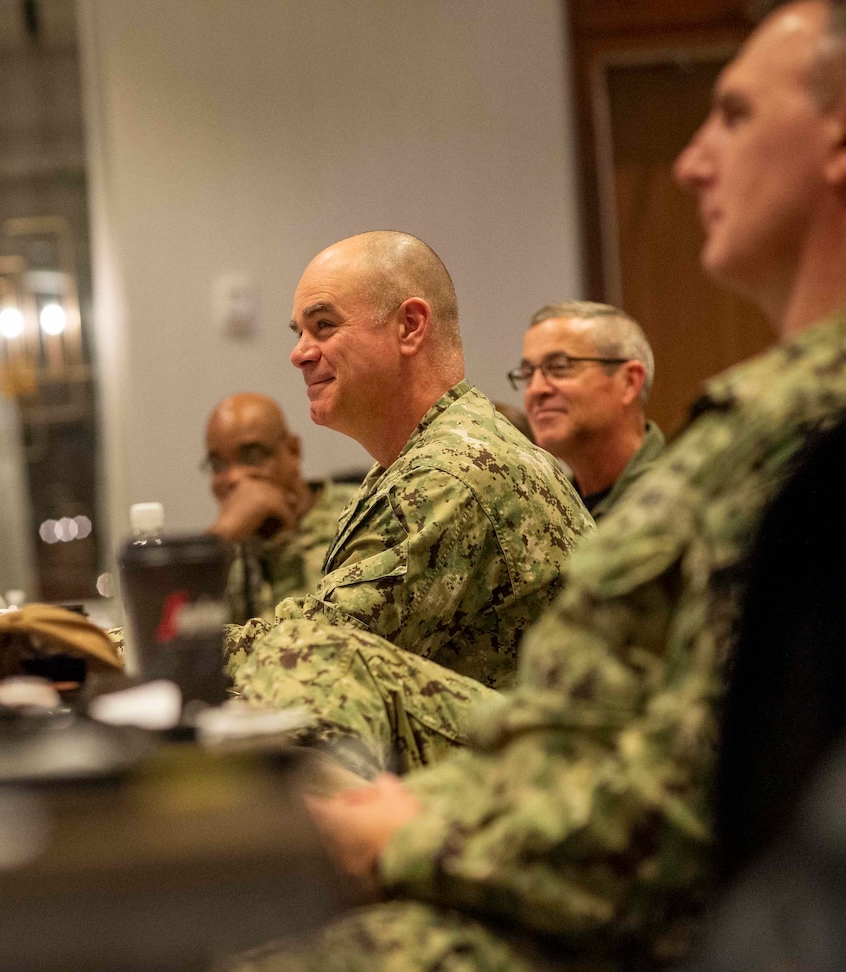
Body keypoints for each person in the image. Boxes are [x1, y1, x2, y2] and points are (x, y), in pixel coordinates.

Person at [221, 1, 846, 968]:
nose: (690, 162)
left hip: (621, 895)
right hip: (543, 807)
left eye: (734, 115)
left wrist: (403, 831)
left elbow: (681, 793)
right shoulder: (775, 410)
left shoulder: (807, 435)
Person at [225, 232, 592, 771]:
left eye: (324, 326)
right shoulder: (430, 453)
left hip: (537, 807)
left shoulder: (449, 476)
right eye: (299, 332)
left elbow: (311, 659)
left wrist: (120, 650)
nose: (299, 353)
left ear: (410, 327)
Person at [203, 393, 362, 620]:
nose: (234, 477)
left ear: (292, 451)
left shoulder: (358, 517)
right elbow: (168, 631)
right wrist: (222, 537)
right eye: (218, 464)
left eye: (252, 456)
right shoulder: (231, 546)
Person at [513, 301, 666, 519]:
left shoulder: (682, 494)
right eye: (528, 373)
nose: (536, 389)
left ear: (629, 382)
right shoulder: (546, 510)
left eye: (559, 367)